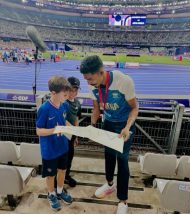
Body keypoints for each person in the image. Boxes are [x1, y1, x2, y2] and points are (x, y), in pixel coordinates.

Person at [80, 55, 139, 214]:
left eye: (90, 79)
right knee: (108, 155)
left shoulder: (123, 81)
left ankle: (123, 200)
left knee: (122, 160)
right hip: (108, 123)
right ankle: (109, 184)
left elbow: (134, 108)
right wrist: (92, 125)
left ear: (101, 72)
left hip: (124, 127)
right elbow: (97, 109)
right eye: (86, 79)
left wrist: (127, 127)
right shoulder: (93, 85)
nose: (88, 83)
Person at [36, 76, 73, 211]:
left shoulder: (64, 106)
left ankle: (60, 190)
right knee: (51, 175)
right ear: (53, 93)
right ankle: (51, 194)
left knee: (63, 170)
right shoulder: (44, 109)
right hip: (50, 151)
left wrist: (74, 129)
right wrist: (54, 130)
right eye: (64, 94)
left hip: (62, 147)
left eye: (67, 93)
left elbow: (64, 122)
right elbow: (39, 131)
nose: (67, 96)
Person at [54, 77, 82, 188]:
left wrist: (76, 135)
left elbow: (76, 119)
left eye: (76, 90)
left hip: (71, 136)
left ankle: (66, 176)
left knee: (69, 157)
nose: (73, 92)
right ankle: (57, 184)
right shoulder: (61, 103)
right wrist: (71, 129)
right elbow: (61, 119)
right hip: (62, 137)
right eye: (71, 89)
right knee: (61, 160)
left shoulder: (77, 103)